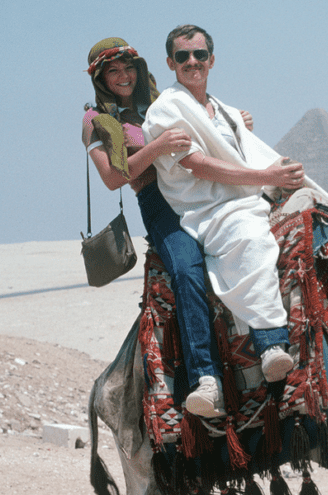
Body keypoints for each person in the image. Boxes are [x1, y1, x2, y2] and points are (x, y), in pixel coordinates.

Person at [142, 24, 303, 404]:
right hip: (208, 209)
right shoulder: (165, 110)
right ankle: (269, 345)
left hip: (248, 195)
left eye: (199, 55)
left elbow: (246, 151)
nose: (192, 62)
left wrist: (284, 174)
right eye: (183, 56)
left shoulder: (227, 111)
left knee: (316, 219)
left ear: (212, 60)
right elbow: (199, 166)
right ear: (171, 63)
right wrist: (268, 176)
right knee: (248, 236)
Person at [82, 37, 230, 418]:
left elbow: (207, 128)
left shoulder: (164, 100)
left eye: (128, 67)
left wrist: (233, 121)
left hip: (199, 187)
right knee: (186, 269)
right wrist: (159, 146)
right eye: (112, 70)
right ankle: (205, 378)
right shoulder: (95, 121)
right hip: (159, 202)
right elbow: (113, 178)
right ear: (100, 78)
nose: (123, 76)